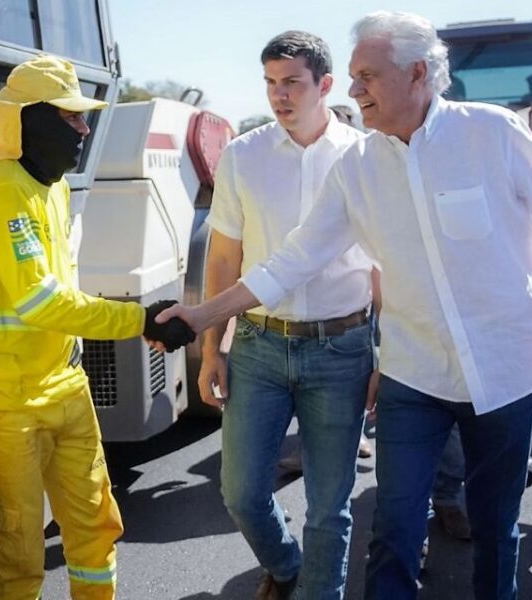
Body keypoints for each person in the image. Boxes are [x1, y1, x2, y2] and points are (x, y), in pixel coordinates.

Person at [156, 11, 532, 600]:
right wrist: (201, 317)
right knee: (395, 528)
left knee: (495, 528)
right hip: (412, 373)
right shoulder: (357, 167)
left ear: (418, 73)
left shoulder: (492, 133)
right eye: (351, 77)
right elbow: (292, 259)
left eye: (367, 77)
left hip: (507, 370)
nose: (352, 91)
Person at [0, 54, 191, 600]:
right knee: (18, 555)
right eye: (70, 117)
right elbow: (41, 301)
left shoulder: (53, 189)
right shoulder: (2, 191)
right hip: (7, 401)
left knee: (95, 530)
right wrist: (139, 319)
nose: (85, 129)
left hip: (66, 387)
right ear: (30, 119)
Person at [198, 31, 372, 600]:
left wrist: (385, 357)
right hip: (258, 346)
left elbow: (386, 266)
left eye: (292, 82)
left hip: (343, 350)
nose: (279, 95)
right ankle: (289, 565)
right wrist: (211, 349)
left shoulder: (366, 157)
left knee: (330, 507)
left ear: (324, 85)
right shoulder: (242, 156)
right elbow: (223, 255)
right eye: (271, 83)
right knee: (242, 492)